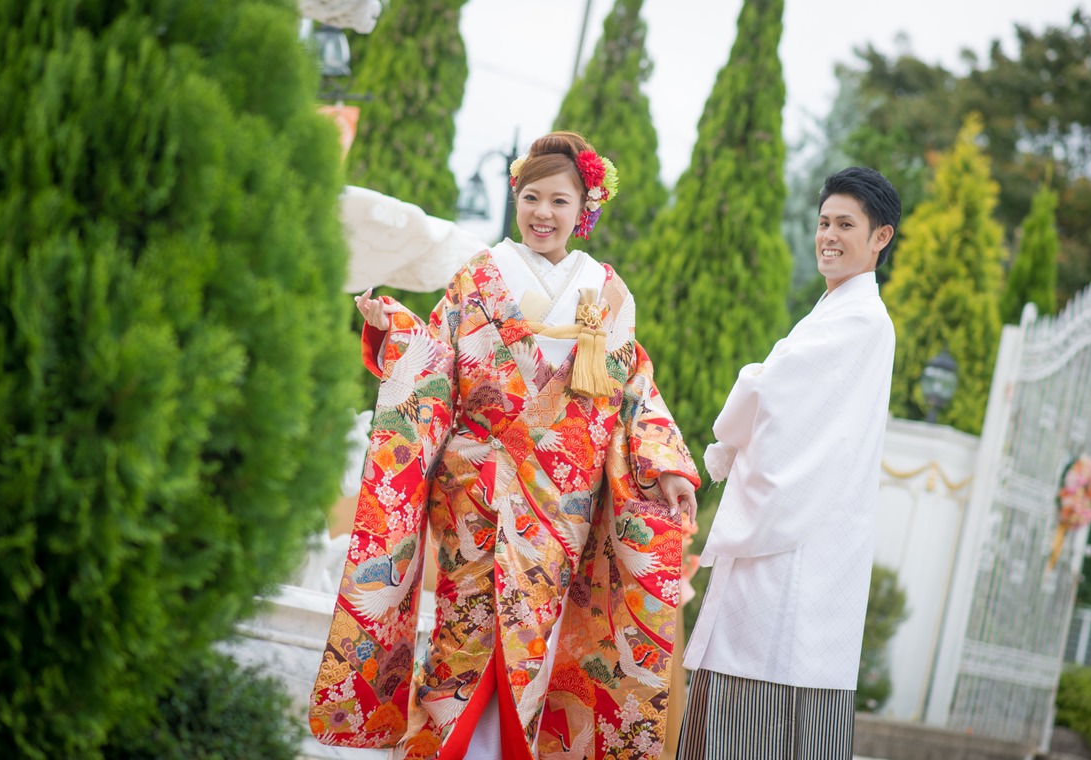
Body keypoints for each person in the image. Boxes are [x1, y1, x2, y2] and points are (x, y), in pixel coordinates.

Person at [311, 131, 701, 760]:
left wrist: (667, 464)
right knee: (461, 634)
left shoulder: (606, 292)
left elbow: (635, 389)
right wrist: (398, 331)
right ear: (516, 199)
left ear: (584, 211)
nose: (543, 213)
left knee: (534, 639)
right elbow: (437, 362)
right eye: (531, 198)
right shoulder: (480, 277)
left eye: (560, 202)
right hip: (476, 489)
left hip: (560, 503)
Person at [677, 167, 900, 759]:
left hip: (796, 536)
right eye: (824, 221)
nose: (829, 235)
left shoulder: (860, 320)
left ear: (881, 237)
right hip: (800, 527)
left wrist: (729, 434)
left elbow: (770, 388)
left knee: (758, 706)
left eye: (846, 224)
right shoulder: (836, 312)